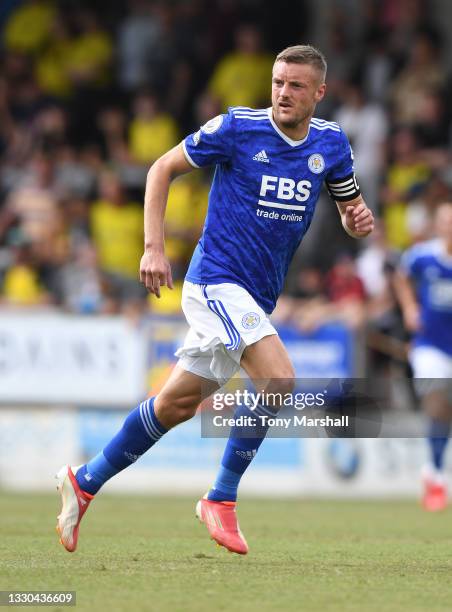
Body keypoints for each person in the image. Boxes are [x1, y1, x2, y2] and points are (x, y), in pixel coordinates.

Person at [55, 45, 374, 554]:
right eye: (277, 82)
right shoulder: (238, 128)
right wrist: (154, 248)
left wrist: (357, 220)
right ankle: (220, 499)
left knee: (176, 405)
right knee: (280, 378)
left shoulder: (332, 143)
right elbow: (161, 168)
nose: (282, 93)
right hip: (215, 282)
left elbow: (349, 208)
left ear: (319, 92)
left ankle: (85, 481)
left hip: (256, 295)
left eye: (295, 85)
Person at [395, 203, 452, 511]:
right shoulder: (422, 255)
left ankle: (433, 470)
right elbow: (401, 278)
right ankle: (436, 476)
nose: (449, 226)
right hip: (430, 345)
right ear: (438, 225)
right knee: (438, 400)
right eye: (445, 221)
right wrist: (409, 308)